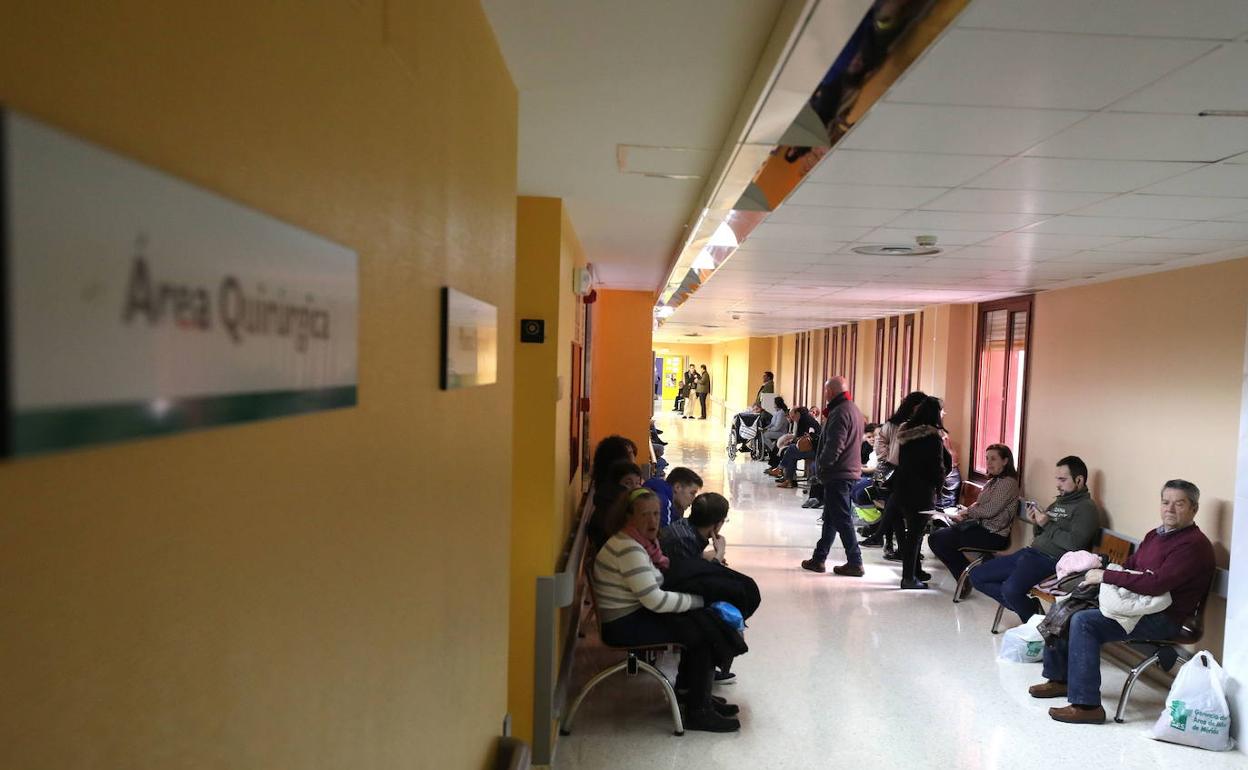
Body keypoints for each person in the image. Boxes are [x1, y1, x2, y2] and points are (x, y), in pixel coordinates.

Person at [1029, 480, 1216, 725]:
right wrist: (1102, 574)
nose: (1170, 509)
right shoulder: (1155, 535)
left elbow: (1157, 584)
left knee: (1084, 622)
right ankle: (1060, 679)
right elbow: (1130, 566)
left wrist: (1106, 576)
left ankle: (1087, 706)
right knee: (1068, 603)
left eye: (1179, 504)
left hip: (1165, 617)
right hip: (1137, 605)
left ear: (1194, 509)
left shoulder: (1193, 545)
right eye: (1165, 502)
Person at [593, 489, 741, 732]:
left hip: (632, 613)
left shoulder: (637, 542)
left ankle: (692, 694)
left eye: (656, 513)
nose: (652, 521)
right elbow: (656, 601)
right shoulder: (629, 549)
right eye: (644, 514)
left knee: (701, 622)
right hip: (623, 625)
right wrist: (697, 601)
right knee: (703, 630)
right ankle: (698, 711)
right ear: (628, 516)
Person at [970, 456, 1100, 622]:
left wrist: (1046, 524)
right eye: (1057, 479)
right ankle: (1033, 612)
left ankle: (1034, 621)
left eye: (1062, 480)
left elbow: (1074, 544)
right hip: (1030, 553)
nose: (1057, 484)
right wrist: (1036, 523)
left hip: (1052, 561)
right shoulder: (1059, 502)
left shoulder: (1086, 508)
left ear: (1079, 480)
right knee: (977, 576)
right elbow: (1041, 535)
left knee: (1011, 590)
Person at [927, 444, 1020, 592]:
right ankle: (969, 575)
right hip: (980, 527)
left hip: (993, 534)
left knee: (939, 540)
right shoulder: (992, 481)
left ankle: (967, 576)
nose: (988, 463)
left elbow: (989, 511)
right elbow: (979, 504)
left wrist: (967, 512)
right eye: (987, 458)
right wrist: (964, 513)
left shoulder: (1008, 483)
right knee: (936, 538)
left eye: (993, 459)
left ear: (1005, 461)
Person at [801, 376, 865, 577]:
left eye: (826, 391)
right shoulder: (853, 409)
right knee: (830, 518)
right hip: (847, 471)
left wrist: (821, 467)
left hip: (839, 473)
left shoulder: (840, 412)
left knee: (843, 519)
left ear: (829, 392)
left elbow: (834, 446)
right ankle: (819, 559)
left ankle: (855, 562)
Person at [892, 396, 951, 589]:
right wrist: (939, 488)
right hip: (922, 491)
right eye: (941, 411)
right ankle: (908, 578)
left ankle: (915, 571)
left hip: (902, 488)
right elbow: (939, 467)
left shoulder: (906, 435)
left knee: (911, 533)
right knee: (915, 535)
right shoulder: (933, 437)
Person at [862, 392, 927, 553]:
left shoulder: (921, 426)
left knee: (895, 508)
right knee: (894, 508)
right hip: (893, 471)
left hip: (910, 475)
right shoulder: (894, 425)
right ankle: (893, 544)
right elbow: (880, 444)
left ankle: (886, 540)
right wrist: (890, 458)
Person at [770, 407, 821, 488]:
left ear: (797, 413)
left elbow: (801, 438)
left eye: (793, 417)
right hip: (813, 447)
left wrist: (790, 442)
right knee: (791, 453)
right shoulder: (805, 418)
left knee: (791, 449)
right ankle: (788, 480)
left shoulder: (804, 420)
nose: (793, 419)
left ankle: (781, 471)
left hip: (814, 450)